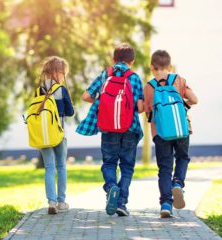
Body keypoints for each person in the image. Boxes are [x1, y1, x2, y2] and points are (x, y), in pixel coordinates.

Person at [77, 43, 144, 216]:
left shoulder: (105, 74)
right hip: (130, 127)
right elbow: (141, 107)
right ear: (132, 61)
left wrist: (104, 103)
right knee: (127, 166)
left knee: (109, 163)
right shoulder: (134, 77)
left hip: (108, 127)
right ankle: (121, 203)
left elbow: (86, 96)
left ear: (113, 59)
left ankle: (111, 187)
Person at [143, 50, 198, 218]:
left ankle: (166, 204)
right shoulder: (179, 80)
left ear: (152, 67)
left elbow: (147, 112)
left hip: (161, 132)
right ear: (170, 66)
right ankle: (178, 184)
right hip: (181, 129)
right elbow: (194, 99)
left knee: (165, 168)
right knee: (182, 158)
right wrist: (182, 104)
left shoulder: (149, 87)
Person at [37, 56, 74, 214]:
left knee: (49, 168)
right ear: (58, 73)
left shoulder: (39, 90)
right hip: (59, 134)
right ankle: (61, 202)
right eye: (63, 72)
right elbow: (70, 112)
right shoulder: (62, 90)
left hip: (43, 135)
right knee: (61, 166)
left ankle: (51, 202)